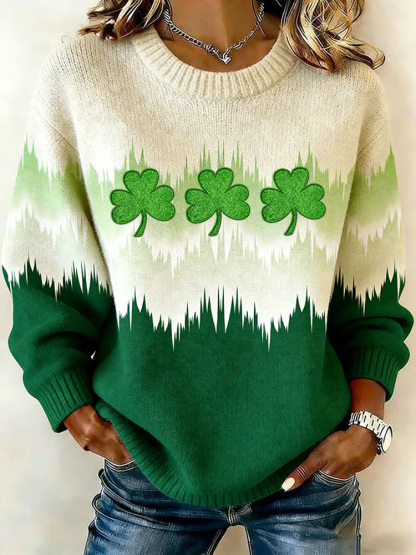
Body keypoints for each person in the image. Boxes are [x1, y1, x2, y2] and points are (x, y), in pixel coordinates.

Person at [1, 0, 413, 553]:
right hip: (145, 462)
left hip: (311, 470)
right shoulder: (84, 74)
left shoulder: (344, 86)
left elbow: (371, 289)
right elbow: (45, 265)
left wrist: (368, 423)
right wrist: (68, 403)